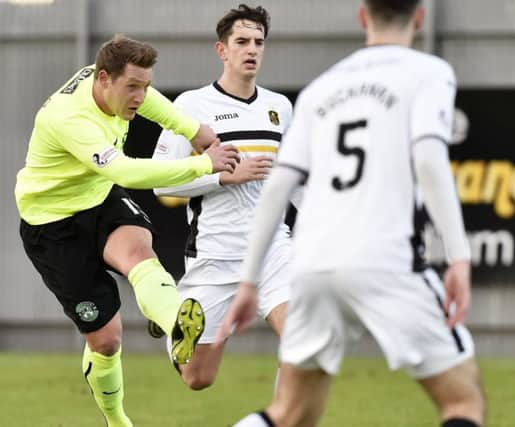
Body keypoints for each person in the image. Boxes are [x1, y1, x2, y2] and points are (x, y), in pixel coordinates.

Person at [217, 1, 487, 426]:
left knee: (289, 414)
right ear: (419, 17)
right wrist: (459, 257)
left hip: (312, 264)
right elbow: (431, 161)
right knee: (463, 403)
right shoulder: (428, 72)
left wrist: (250, 279)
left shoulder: (321, 90)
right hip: (386, 258)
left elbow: (279, 187)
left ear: (363, 16)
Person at [15, 34, 239, 427]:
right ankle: (117, 420)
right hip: (51, 225)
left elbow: (148, 102)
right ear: (104, 79)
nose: (139, 96)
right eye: (131, 87)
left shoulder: (115, 85)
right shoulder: (69, 118)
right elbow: (125, 171)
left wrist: (193, 130)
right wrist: (204, 164)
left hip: (98, 199)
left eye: (145, 85)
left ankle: (174, 324)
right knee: (107, 340)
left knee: (140, 254)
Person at [151, 4, 295, 391]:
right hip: (216, 252)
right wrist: (220, 177)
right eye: (242, 41)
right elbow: (162, 184)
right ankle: (171, 318)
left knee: (301, 339)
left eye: (259, 42)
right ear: (222, 50)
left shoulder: (279, 108)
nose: (252, 50)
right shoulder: (191, 106)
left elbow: (291, 180)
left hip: (272, 249)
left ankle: (282, 417)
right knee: (198, 378)